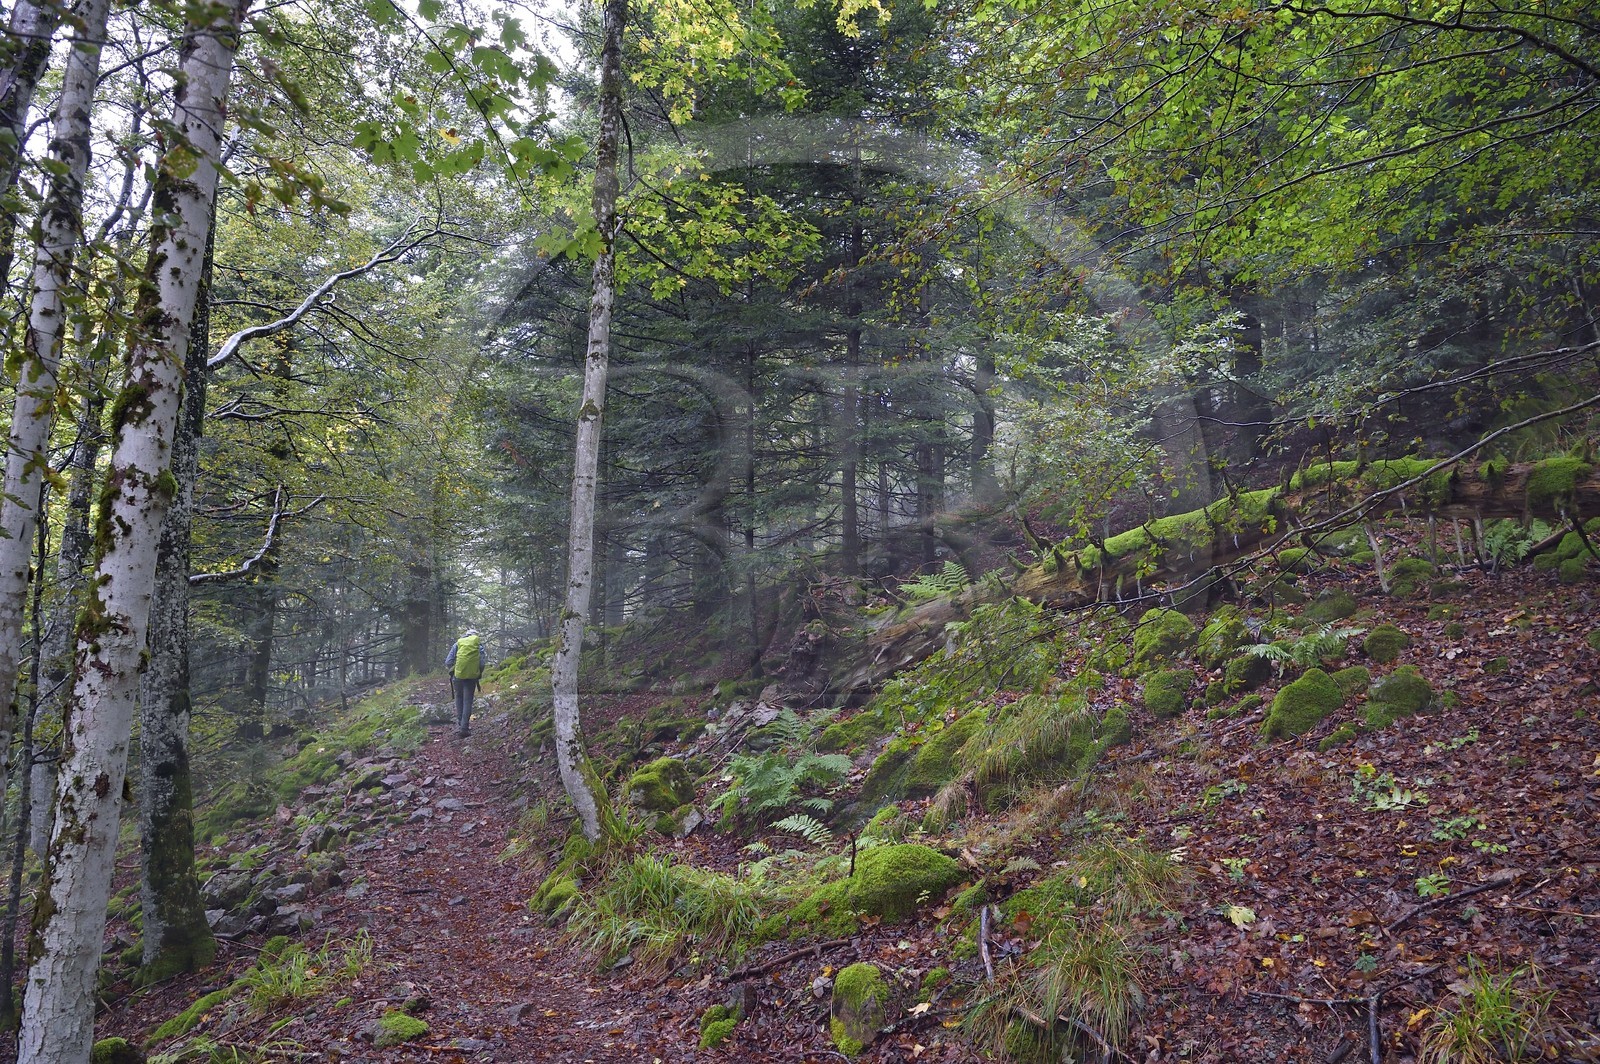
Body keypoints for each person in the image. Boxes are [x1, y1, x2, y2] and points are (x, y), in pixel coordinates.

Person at [444, 629, 486, 738]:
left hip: (457, 676)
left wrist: (455, 671)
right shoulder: (478, 646)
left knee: (459, 698)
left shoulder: (458, 644)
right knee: (468, 701)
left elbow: (448, 661)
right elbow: (482, 663)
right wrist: (478, 673)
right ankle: (464, 728)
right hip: (472, 677)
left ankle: (460, 724)